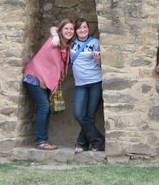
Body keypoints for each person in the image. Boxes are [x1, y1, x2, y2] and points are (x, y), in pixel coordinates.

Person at [23, 20, 75, 150]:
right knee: (44, 106)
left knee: (46, 110)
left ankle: (44, 140)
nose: (69, 31)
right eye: (66, 29)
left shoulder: (65, 47)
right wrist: (56, 35)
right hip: (35, 77)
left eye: (71, 29)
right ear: (61, 30)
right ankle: (40, 141)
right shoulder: (54, 41)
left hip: (44, 80)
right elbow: (53, 28)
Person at [70, 18, 104, 153]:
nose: (82, 30)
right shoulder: (71, 43)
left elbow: (101, 65)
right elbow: (55, 30)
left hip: (95, 81)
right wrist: (55, 35)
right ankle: (98, 139)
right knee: (79, 114)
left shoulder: (95, 43)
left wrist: (98, 59)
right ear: (75, 30)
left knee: (89, 116)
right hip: (80, 84)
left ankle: (82, 143)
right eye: (79, 28)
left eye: (85, 27)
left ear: (88, 28)